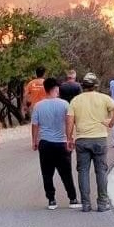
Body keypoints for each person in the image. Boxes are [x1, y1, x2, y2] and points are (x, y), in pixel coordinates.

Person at [67, 72, 114, 212]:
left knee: (83, 172)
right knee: (101, 172)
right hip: (100, 139)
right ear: (96, 86)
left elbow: (69, 121)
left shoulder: (75, 100)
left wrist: (69, 137)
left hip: (82, 139)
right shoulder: (104, 98)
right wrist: (110, 124)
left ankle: (86, 204)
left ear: (83, 86)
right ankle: (102, 203)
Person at [30, 76, 78, 209]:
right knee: (66, 172)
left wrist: (34, 141)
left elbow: (35, 125)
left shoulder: (38, 106)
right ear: (56, 88)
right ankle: (72, 198)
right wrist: (70, 138)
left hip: (45, 143)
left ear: (45, 89)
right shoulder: (65, 104)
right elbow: (69, 122)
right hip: (61, 142)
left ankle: (51, 200)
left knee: (47, 173)